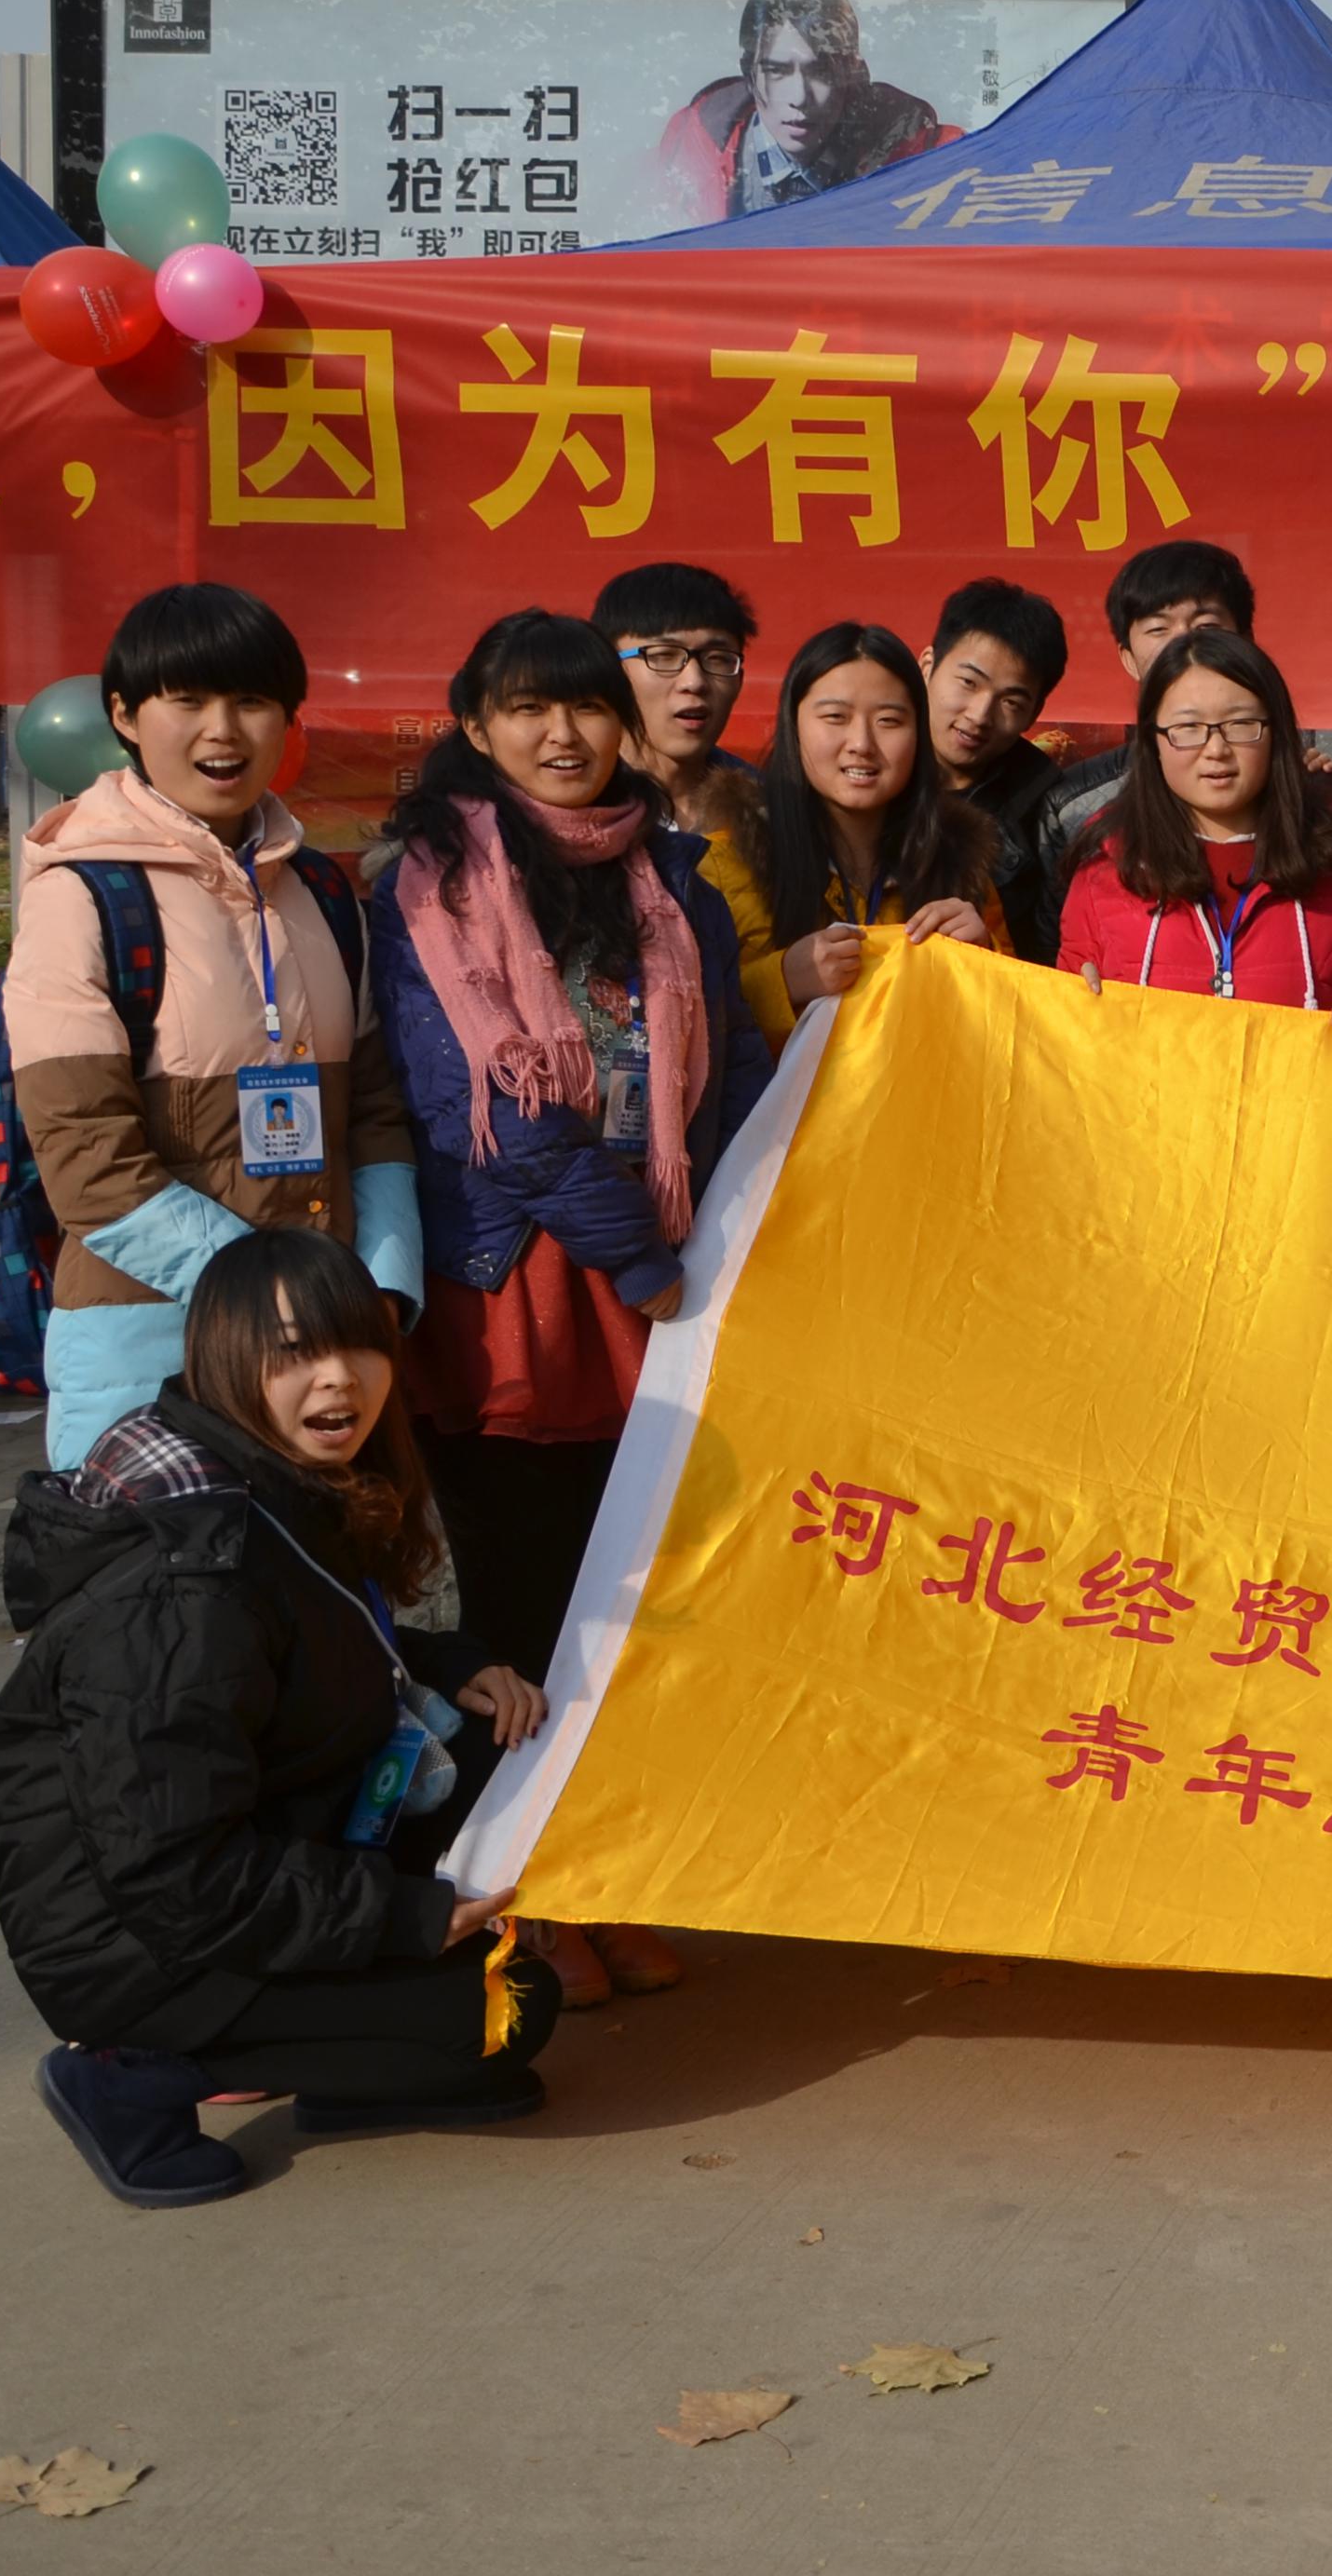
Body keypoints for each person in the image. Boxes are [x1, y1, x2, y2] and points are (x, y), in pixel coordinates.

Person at [0, 1231, 564, 2209]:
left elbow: (310, 1648)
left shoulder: (266, 1485)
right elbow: (174, 1872)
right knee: (512, 2008)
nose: (338, 1379)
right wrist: (403, 1918)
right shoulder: (188, 1581)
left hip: (232, 1859)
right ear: (224, 1360)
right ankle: (129, 2073)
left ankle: (345, 2052)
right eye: (294, 1353)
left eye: (359, 1344)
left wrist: (452, 1667)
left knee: (491, 1733)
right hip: (140, 1946)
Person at [369, 612, 772, 2008]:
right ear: (475, 728)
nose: (562, 735)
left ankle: (609, 1876)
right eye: (527, 710)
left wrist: (720, 1231)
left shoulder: (672, 878)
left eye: (587, 707)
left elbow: (731, 1073)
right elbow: (479, 1114)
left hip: (656, 1287)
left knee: (636, 1617)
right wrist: (638, 1257)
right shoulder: (429, 887)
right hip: (522, 1301)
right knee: (531, 1617)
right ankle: (524, 1904)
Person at [6, 585, 421, 1471]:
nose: (222, 731)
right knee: (169, 1560)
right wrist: (277, 1302)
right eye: (187, 700)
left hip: (325, 1359)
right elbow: (87, 1159)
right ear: (125, 715)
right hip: (152, 1350)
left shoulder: (322, 893)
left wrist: (380, 1289)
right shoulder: (82, 896)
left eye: (252, 700)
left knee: (322, 1556)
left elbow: (375, 1116)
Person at [1053, 627, 1332, 1011]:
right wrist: (1074, 1008)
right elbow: (1062, 1024)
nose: (1216, 749)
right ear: (1153, 740)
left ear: (1276, 732)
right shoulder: (1104, 874)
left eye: (1240, 724)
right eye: (1188, 728)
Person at [702, 627, 1005, 1049]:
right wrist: (781, 982)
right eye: (835, 717)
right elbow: (678, 1026)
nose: (862, 743)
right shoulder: (721, 866)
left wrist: (987, 957)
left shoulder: (960, 866)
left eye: (889, 721)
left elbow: (1012, 1037)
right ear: (793, 724)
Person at [1017, 541, 1257, 965]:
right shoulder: (1073, 809)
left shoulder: (1309, 798)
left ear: (1245, 640)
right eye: (1158, 629)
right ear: (1127, 657)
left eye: (1206, 625)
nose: (1183, 643)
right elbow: (1052, 964)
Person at [650, 0, 957, 224]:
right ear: (750, 74)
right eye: (777, 71)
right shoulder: (689, 148)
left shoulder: (936, 159)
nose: (798, 97)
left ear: (852, 76)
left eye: (821, 72)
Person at [924, 576, 1071, 958]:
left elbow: (1048, 957)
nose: (979, 715)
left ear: (1034, 713)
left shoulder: (1048, 811)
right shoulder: (865, 771)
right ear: (927, 666)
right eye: (968, 683)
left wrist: (987, 950)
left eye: (1010, 702)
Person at [593, 563, 764, 859]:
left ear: (740, 680)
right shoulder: (569, 808)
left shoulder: (773, 812)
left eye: (717, 658)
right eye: (663, 656)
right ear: (609, 670)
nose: (694, 682)